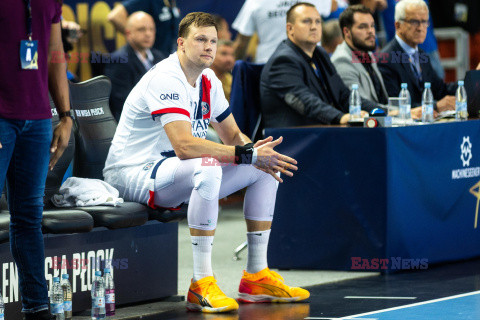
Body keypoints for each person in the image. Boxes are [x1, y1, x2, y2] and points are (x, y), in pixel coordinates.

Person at [103, 12, 309, 313]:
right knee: (209, 165)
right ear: (181, 43)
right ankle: (201, 283)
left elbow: (233, 134)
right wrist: (246, 154)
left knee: (264, 168)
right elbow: (185, 146)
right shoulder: (165, 77)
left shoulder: (208, 79)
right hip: (133, 173)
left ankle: (257, 275)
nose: (208, 46)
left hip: (175, 171)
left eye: (213, 41)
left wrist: (256, 152)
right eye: (201, 39)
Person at [0, 0, 72, 319]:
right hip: (1, 117)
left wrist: (66, 115)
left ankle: (37, 307)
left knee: (29, 217)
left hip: (38, 120)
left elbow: (55, 52)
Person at [261, 3, 378, 127]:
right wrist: (340, 117)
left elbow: (342, 95)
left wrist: (379, 111)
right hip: (292, 138)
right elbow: (303, 100)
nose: (314, 27)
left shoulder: (319, 54)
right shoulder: (283, 61)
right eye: (307, 21)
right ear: (290, 29)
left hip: (321, 131)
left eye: (318, 22)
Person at [378, 0, 457, 112]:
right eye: (414, 22)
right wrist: (434, 107)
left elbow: (440, 90)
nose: (420, 28)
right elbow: (395, 106)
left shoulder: (421, 54)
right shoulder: (385, 59)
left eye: (424, 22)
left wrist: (472, 80)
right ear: (398, 25)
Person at [232, 0, 338, 63]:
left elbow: (241, 43)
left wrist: (234, 72)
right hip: (307, 66)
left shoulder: (254, 2)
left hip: (267, 66)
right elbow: (334, 5)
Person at [105, 11, 165, 121]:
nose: (148, 34)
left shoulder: (159, 57)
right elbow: (122, 102)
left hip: (160, 117)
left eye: (151, 29)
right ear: (128, 33)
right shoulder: (118, 60)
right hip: (135, 121)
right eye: (141, 29)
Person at [332, 5, 389, 104]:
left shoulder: (368, 54)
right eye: (363, 27)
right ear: (346, 32)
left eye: (372, 26)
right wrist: (392, 112)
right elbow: (359, 104)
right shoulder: (342, 59)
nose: (371, 31)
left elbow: (382, 98)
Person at [107, 0, 180, 57]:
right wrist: (134, 34)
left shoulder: (171, 2)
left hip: (168, 56)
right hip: (150, 59)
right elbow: (114, 16)